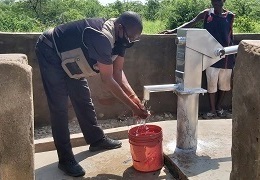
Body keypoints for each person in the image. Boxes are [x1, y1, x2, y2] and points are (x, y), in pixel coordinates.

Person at [35, 11, 149, 177]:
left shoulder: (121, 39)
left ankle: (96, 140)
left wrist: (135, 100)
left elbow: (118, 71)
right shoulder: (102, 37)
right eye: (130, 37)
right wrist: (134, 108)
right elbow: (108, 80)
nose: (130, 41)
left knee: (83, 99)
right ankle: (65, 160)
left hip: (71, 59)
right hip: (50, 50)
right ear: (120, 27)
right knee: (59, 107)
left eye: (134, 39)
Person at [160, 0, 235, 119]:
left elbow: (230, 35)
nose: (216, 3)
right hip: (211, 55)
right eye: (214, 1)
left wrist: (232, 52)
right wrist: (173, 31)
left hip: (226, 55)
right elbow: (191, 23)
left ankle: (219, 107)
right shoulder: (206, 14)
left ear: (224, 1)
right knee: (211, 83)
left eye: (219, 1)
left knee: (224, 84)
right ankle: (212, 110)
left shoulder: (230, 16)